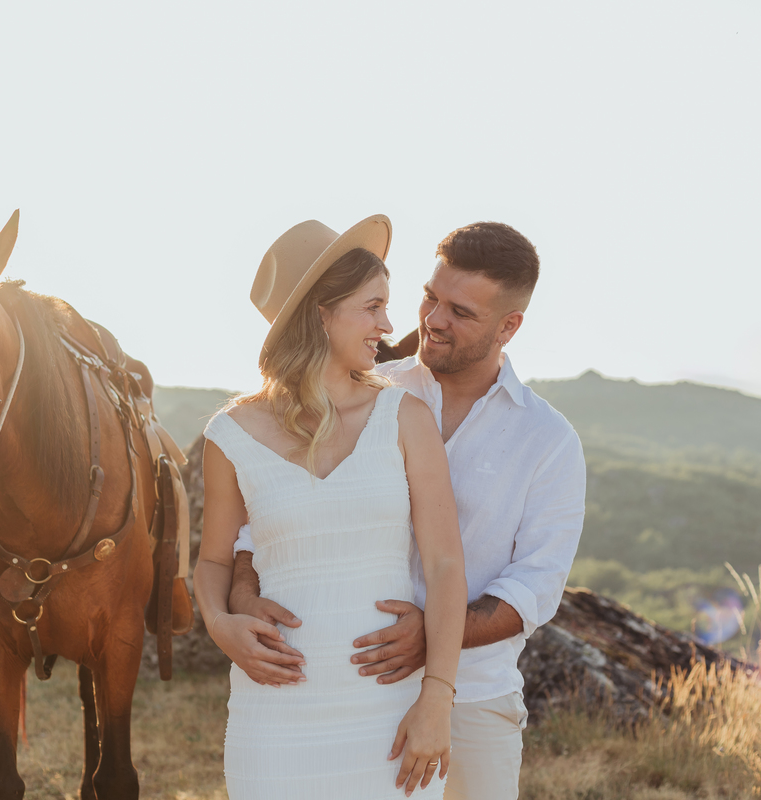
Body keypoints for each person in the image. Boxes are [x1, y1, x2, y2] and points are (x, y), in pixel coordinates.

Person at [229, 221, 587, 800]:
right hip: (349, 690)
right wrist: (242, 600)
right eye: (430, 296)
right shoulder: (360, 392)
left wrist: (433, 637)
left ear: (509, 326)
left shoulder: (548, 440)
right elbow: (261, 520)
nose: (433, 320)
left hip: (472, 698)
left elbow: (534, 590)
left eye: (461, 312)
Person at [193, 215, 468, 799]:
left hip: (390, 715)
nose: (389, 326)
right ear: (321, 313)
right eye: (372, 307)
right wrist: (221, 626)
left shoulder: (406, 418)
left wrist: (436, 698)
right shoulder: (230, 435)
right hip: (273, 718)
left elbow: (446, 565)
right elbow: (214, 562)